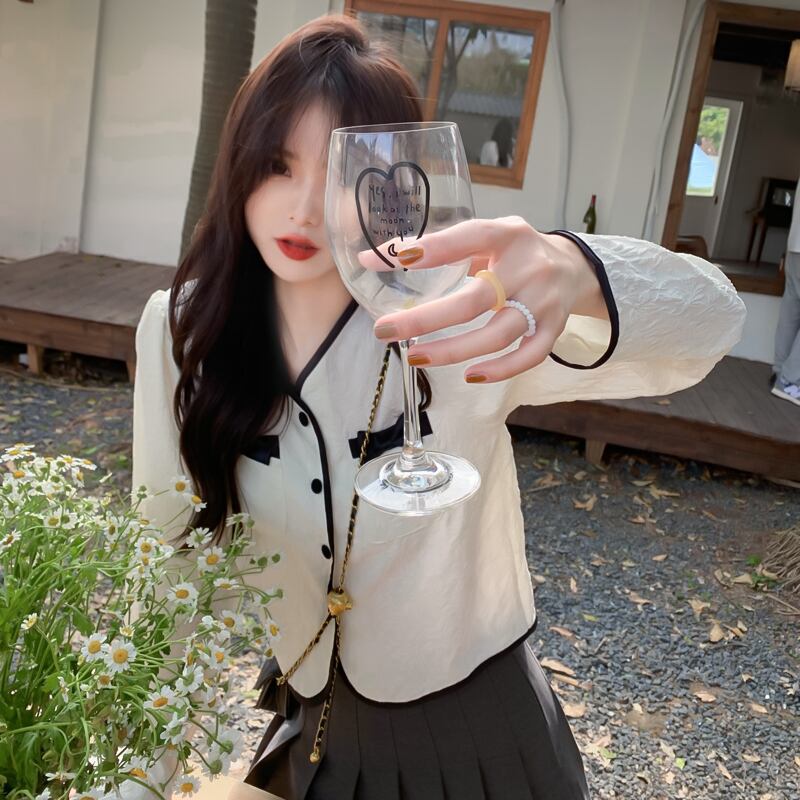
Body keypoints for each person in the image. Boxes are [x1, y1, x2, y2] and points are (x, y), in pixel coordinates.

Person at [129, 15, 746, 800]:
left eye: (339, 173)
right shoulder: (184, 329)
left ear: (393, 186)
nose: (303, 208)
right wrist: (141, 774)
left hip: (478, 739)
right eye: (277, 164)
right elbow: (167, 563)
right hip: (314, 726)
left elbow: (714, 321)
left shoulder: (462, 314)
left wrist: (574, 267)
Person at [771, 174, 800, 406]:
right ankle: (791, 382)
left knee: (790, 313)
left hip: (795, 249)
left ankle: (779, 372)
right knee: (790, 313)